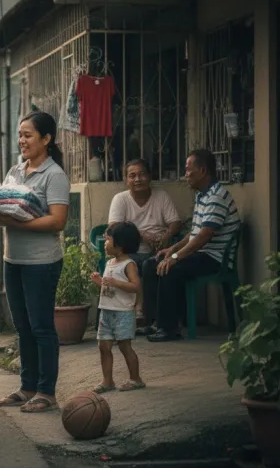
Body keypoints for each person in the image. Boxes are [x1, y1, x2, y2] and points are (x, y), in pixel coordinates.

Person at [0, 111, 70, 413]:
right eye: (20, 135)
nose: (21, 140)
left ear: (46, 139)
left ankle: (47, 392)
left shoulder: (55, 175)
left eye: (28, 135)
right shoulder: (16, 171)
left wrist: (18, 223)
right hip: (13, 259)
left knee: (41, 327)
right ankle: (27, 388)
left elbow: (58, 221)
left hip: (42, 262)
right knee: (23, 327)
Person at [143, 149, 241, 342]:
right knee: (151, 264)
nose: (185, 175)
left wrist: (175, 258)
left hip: (215, 258)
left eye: (188, 170)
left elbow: (204, 236)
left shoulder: (216, 197)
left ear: (202, 171)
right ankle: (156, 322)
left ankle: (170, 328)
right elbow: (195, 232)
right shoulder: (202, 195)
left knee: (171, 268)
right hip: (202, 253)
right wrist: (172, 249)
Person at [108, 158, 182, 332]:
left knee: (157, 265)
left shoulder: (161, 196)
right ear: (126, 180)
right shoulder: (121, 199)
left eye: (141, 174)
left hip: (159, 251)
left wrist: (167, 235)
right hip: (130, 253)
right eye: (132, 176)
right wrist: (140, 236)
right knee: (135, 265)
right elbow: (113, 227)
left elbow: (175, 222)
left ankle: (157, 320)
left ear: (149, 176)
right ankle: (141, 315)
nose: (137, 179)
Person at [90, 222, 146, 393]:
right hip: (106, 312)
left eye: (107, 240)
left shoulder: (128, 264)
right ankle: (107, 381)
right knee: (103, 346)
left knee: (124, 346)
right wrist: (100, 282)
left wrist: (115, 282)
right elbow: (110, 289)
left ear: (119, 245)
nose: (104, 243)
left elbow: (136, 286)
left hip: (123, 313)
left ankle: (136, 379)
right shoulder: (109, 263)